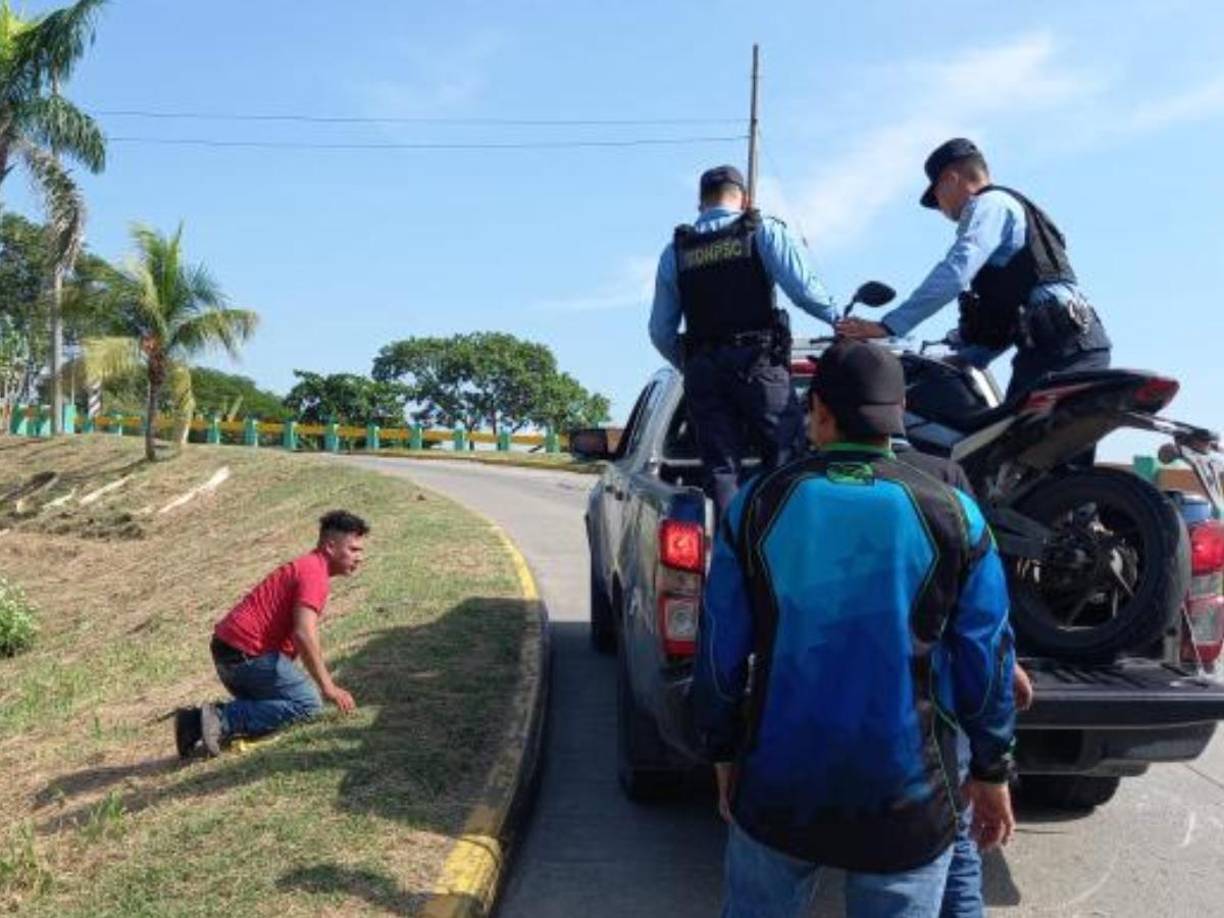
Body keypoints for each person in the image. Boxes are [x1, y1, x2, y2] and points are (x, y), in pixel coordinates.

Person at [692, 340, 1017, 917]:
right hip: (908, 797)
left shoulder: (757, 504)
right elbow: (986, 657)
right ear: (898, 415)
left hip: (777, 785)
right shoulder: (952, 510)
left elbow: (719, 651)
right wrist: (992, 767)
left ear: (818, 410)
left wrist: (721, 749)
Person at [838, 138, 1111, 399]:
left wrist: (889, 326)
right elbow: (1006, 316)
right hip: (1080, 346)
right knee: (1049, 447)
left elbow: (956, 271)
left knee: (1010, 443)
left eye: (936, 198)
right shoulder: (1016, 213)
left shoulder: (988, 205)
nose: (940, 210)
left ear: (950, 179)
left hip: (1056, 350)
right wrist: (967, 359)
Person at [891, 439, 1035, 918]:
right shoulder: (946, 478)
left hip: (814, 720)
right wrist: (992, 766)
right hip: (934, 711)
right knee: (957, 850)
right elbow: (981, 612)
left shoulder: (793, 484)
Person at [649, 164, 838, 517]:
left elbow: (660, 330)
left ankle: (733, 555)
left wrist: (690, 364)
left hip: (704, 369)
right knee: (786, 457)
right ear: (745, 198)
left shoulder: (675, 251)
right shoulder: (761, 231)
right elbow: (804, 292)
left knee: (721, 468)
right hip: (758, 363)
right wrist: (839, 321)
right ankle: (784, 547)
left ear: (700, 203)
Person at [174, 510, 368, 758]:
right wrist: (328, 687)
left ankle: (192, 723)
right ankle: (221, 719)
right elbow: (304, 634)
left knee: (284, 703)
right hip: (247, 656)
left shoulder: (308, 567)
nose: (359, 557)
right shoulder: (314, 574)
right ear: (330, 546)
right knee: (307, 705)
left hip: (228, 653)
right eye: (353, 549)